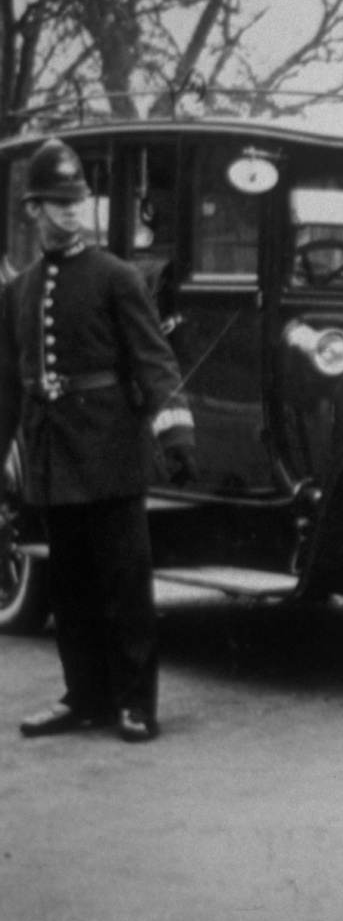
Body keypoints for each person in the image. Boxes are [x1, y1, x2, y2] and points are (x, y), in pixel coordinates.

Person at [4, 140, 195, 743]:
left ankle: (137, 703)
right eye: (58, 205)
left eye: (77, 202)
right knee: (71, 587)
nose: (71, 213)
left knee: (125, 585)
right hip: (53, 454)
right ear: (33, 210)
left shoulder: (116, 277)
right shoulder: (20, 290)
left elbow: (153, 361)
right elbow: (10, 382)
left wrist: (177, 432)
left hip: (110, 452)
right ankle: (84, 698)